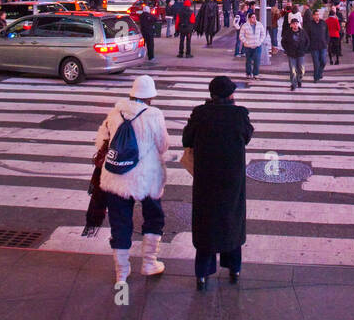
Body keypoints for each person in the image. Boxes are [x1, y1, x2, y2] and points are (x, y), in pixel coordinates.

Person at [95, 76, 170, 284]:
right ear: (150, 97)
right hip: (147, 177)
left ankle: (122, 271)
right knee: (154, 217)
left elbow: (100, 141)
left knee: (120, 222)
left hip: (116, 176)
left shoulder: (115, 112)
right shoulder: (154, 115)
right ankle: (149, 263)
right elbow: (163, 145)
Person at [182, 77, 253, 290]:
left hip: (206, 178)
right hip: (232, 179)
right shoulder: (239, 114)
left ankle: (202, 274)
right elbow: (247, 136)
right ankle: (234, 268)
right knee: (232, 220)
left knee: (207, 223)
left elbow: (187, 139)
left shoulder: (200, 114)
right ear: (231, 95)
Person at [281, 13, 308, 91]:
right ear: (291, 25)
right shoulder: (288, 33)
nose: (295, 25)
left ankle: (299, 79)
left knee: (301, 70)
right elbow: (283, 42)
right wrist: (287, 50)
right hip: (291, 54)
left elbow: (307, 41)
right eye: (294, 24)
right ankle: (293, 84)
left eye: (296, 23)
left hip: (300, 53)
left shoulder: (302, 32)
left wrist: (304, 49)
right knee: (293, 70)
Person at [239, 15, 266, 79]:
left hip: (257, 46)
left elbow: (263, 34)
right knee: (248, 60)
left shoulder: (259, 24)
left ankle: (255, 74)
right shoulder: (245, 26)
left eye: (255, 17)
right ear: (249, 18)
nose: (254, 19)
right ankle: (248, 73)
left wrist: (260, 42)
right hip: (248, 46)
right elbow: (241, 35)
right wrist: (246, 42)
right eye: (252, 17)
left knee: (257, 60)